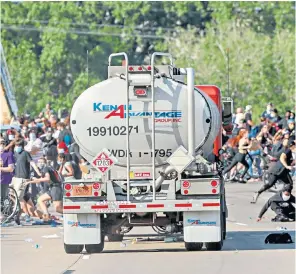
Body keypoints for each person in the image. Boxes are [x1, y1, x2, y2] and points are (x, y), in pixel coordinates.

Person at [10, 139, 41, 220]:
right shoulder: (15, 153)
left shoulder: (25, 153)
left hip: (23, 179)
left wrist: (38, 172)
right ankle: (32, 212)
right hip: (16, 178)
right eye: (16, 146)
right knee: (24, 196)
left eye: (19, 146)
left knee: (20, 197)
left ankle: (26, 214)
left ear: (22, 146)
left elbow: (32, 163)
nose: (17, 147)